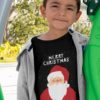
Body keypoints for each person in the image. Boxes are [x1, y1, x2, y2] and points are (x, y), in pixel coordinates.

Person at [17, 0, 88, 100]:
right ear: (43, 10)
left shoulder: (85, 46)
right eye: (55, 6)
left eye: (69, 8)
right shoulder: (29, 50)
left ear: (77, 15)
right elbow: (22, 90)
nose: (62, 13)